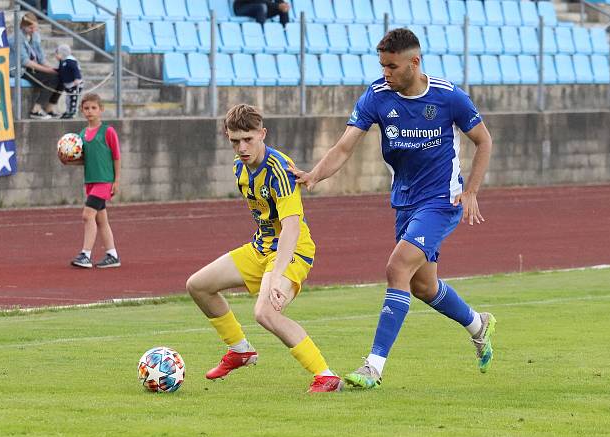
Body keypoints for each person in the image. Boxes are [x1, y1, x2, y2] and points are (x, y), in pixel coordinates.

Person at [289, 28, 496, 390]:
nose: (385, 73)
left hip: (441, 201)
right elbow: (343, 147)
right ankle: (479, 325)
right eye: (382, 65)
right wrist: (315, 175)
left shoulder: (449, 98)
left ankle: (373, 366)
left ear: (414, 63)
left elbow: (483, 140)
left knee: (396, 266)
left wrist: (472, 191)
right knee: (424, 286)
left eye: (392, 66)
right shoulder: (378, 96)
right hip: (404, 202)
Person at [185, 104, 341, 393]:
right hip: (261, 248)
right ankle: (240, 350)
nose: (242, 148)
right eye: (235, 141)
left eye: (248, 140)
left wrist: (277, 278)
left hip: (291, 251)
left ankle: (325, 375)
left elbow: (291, 228)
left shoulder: (279, 169)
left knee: (265, 312)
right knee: (198, 285)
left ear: (262, 134)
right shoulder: (239, 168)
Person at [68, 93, 122, 269]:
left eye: (93, 108)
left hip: (104, 181)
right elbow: (85, 159)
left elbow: (116, 157)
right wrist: (67, 160)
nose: (90, 111)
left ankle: (85, 254)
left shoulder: (108, 131)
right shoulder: (82, 134)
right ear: (82, 111)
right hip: (90, 181)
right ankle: (112, 255)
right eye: (86, 108)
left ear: (101, 110)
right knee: (101, 220)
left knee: (87, 215)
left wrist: (116, 180)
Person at [8, 12, 61, 119]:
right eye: (31, 28)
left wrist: (53, 68)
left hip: (33, 67)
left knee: (61, 76)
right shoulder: (15, 39)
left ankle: (50, 108)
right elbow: (25, 61)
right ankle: (36, 110)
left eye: (35, 27)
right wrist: (48, 71)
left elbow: (41, 58)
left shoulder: (35, 36)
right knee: (52, 79)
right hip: (20, 69)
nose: (33, 30)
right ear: (23, 26)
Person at [55, 44, 83, 120]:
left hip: (75, 84)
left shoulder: (70, 61)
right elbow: (61, 71)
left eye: (57, 54)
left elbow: (76, 70)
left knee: (74, 98)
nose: (56, 56)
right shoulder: (62, 62)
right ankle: (68, 111)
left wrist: (77, 78)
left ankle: (73, 111)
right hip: (68, 85)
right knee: (68, 99)